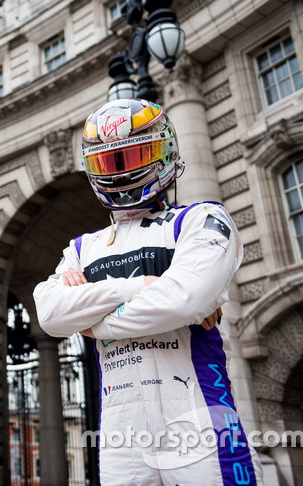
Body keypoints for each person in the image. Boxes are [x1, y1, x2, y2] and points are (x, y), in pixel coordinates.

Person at [33, 99, 262, 485]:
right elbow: (51, 314)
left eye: (135, 155)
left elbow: (184, 299)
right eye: (110, 162)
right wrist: (142, 286)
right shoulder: (81, 247)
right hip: (120, 430)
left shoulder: (202, 218)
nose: (121, 172)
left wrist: (93, 323)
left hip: (200, 414)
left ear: (165, 150)